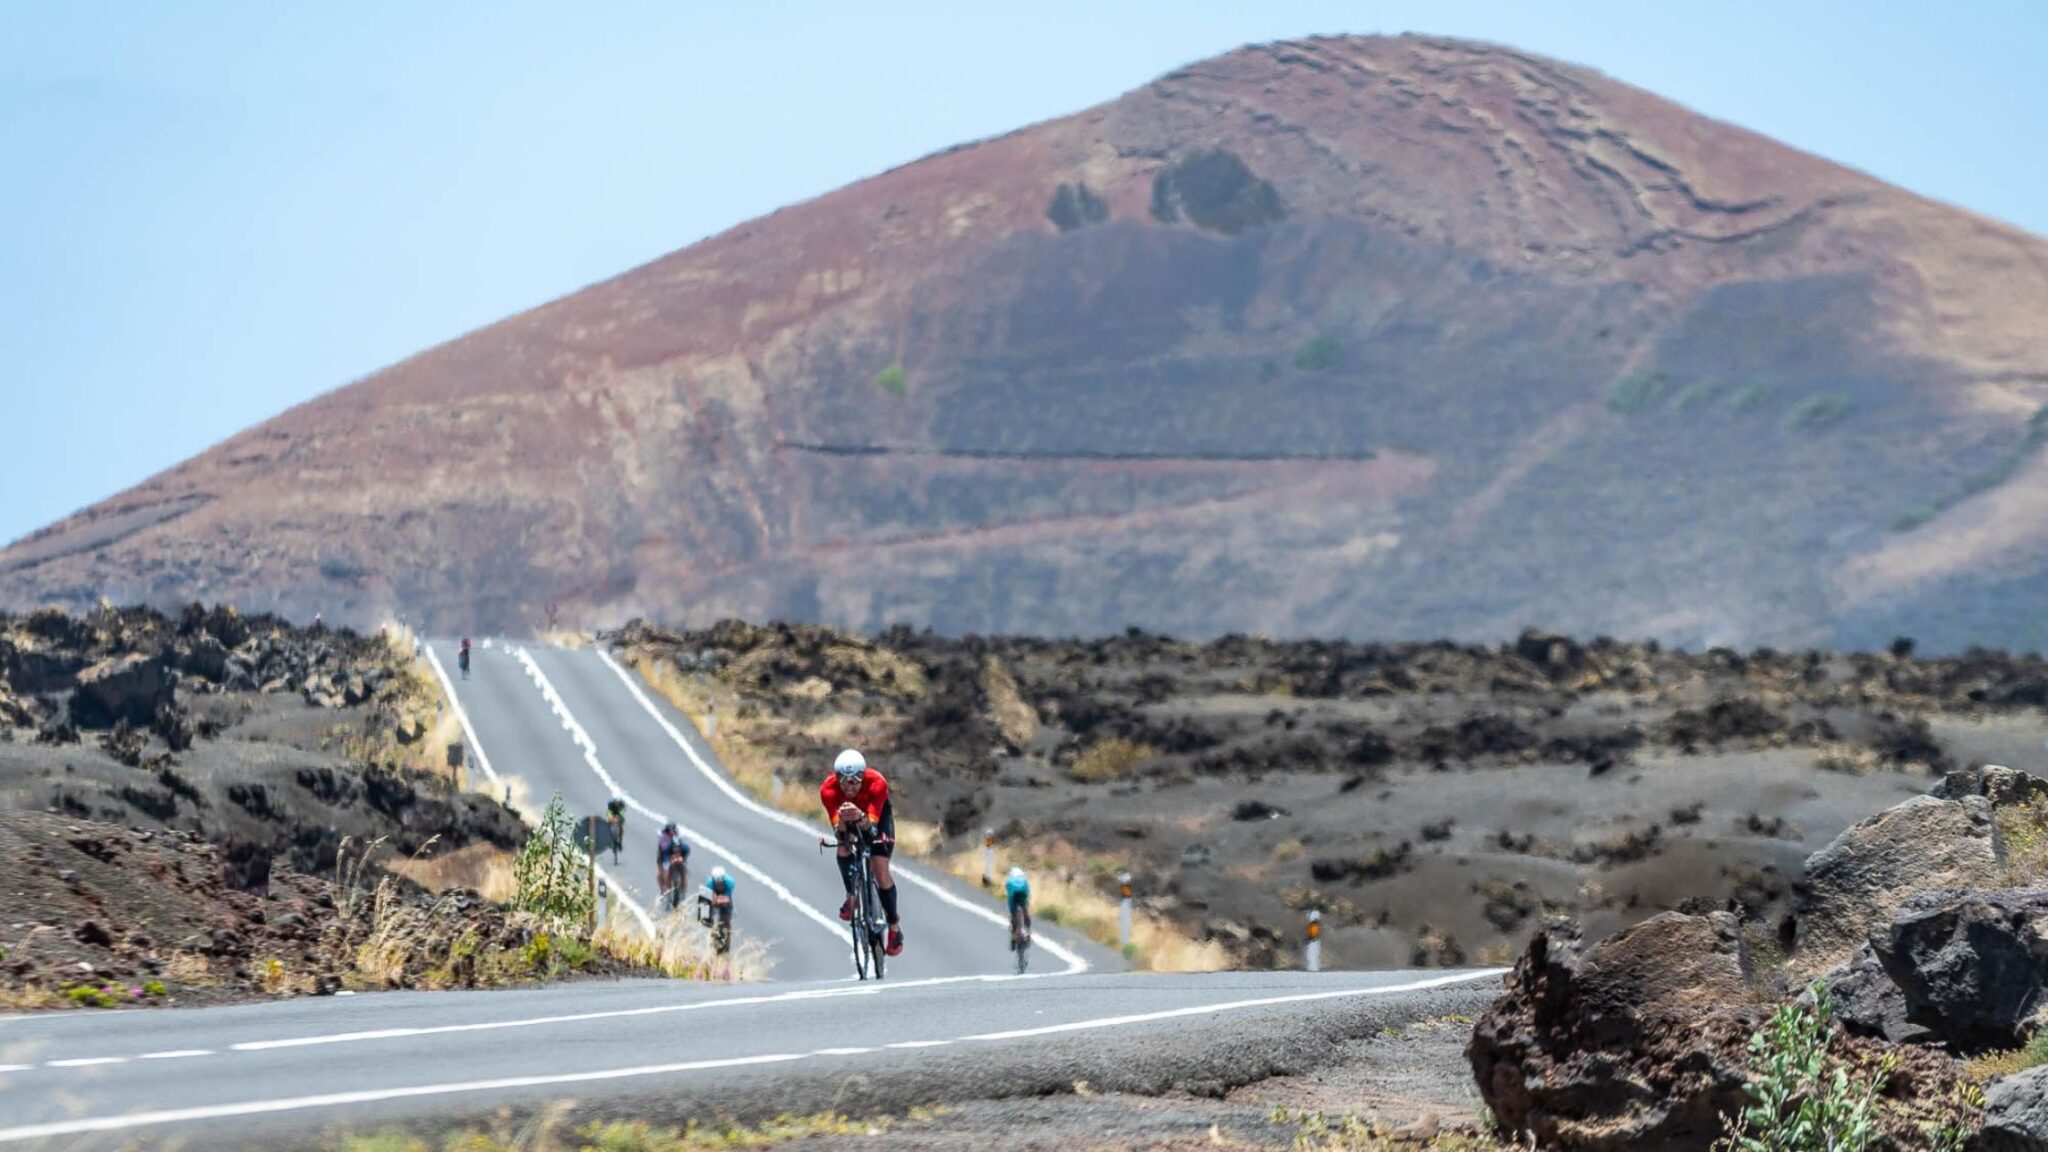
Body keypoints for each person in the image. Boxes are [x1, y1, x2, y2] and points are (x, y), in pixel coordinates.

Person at [820, 748, 902, 956]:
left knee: (880, 870)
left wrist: (860, 817)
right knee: (843, 847)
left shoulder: (877, 784)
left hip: (877, 818)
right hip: (847, 817)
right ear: (836, 779)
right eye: (845, 781)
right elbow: (839, 833)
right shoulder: (828, 790)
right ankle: (851, 895)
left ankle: (894, 927)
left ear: (863, 776)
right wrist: (843, 824)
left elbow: (872, 830)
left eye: (856, 780)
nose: (850, 787)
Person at [656, 821, 689, 902]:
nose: (676, 849)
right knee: (664, 872)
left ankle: (683, 889)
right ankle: (666, 890)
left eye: (673, 831)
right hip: (666, 856)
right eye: (669, 831)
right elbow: (663, 857)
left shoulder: (684, 847)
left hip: (680, 858)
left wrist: (682, 859)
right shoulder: (666, 845)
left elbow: (686, 855)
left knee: (684, 871)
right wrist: (667, 863)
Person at [1005, 865, 1032, 943]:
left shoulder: (1009, 881)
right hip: (1023, 897)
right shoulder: (1024, 880)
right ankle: (1027, 930)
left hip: (1013, 899)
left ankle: (1013, 936)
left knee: (1013, 915)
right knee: (1025, 912)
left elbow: (1008, 894)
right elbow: (1028, 893)